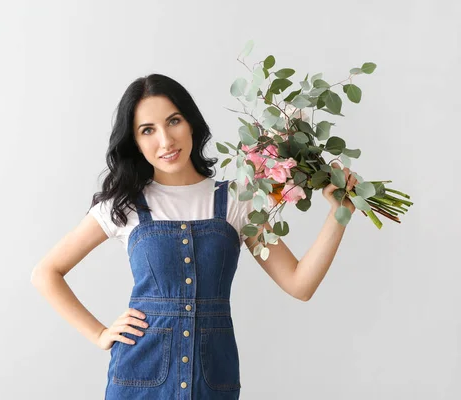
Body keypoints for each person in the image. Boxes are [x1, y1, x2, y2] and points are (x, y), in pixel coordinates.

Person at [31, 73, 358, 399]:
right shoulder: (125, 205)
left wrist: (339, 213)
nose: (165, 140)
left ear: (191, 124)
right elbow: (46, 273)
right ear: (135, 141)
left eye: (173, 121)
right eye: (148, 130)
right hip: (138, 378)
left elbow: (300, 285)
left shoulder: (236, 201)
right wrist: (100, 333)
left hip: (212, 380)